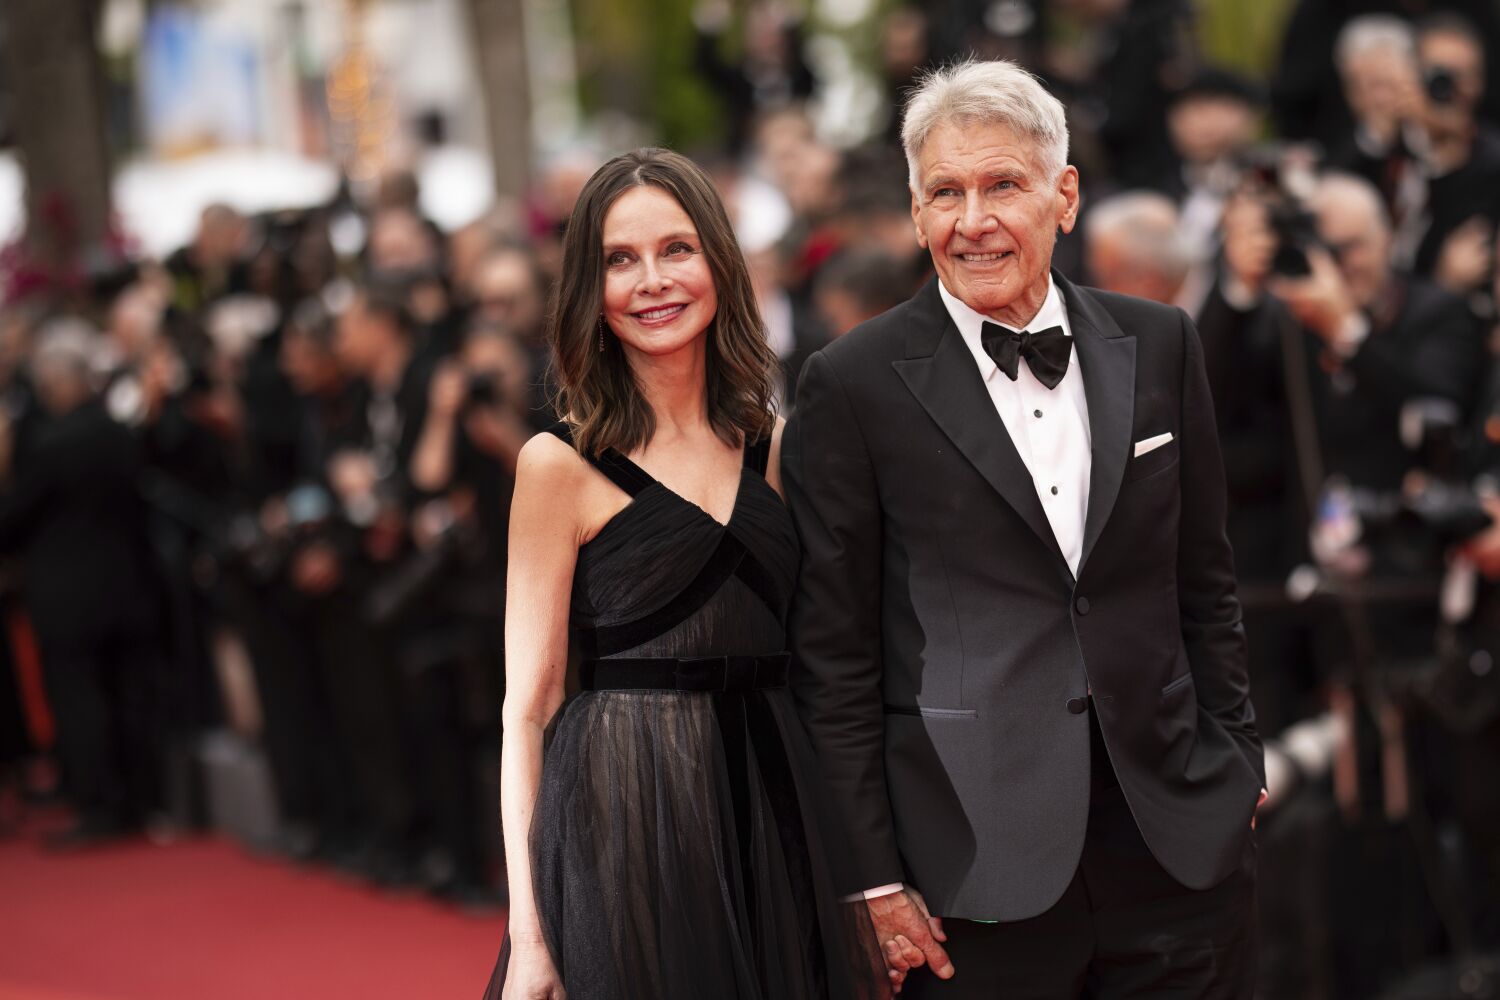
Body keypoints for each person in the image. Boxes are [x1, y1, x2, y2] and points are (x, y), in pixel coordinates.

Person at [783, 59, 1265, 997]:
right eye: (945, 193)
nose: (974, 221)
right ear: (916, 214)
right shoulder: (851, 383)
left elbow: (1205, 577)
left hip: (1175, 838)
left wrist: (1235, 760)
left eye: (1003, 184)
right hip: (969, 867)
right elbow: (832, 653)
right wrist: (871, 875)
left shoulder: (1162, 341)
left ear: (1065, 195)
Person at [485, 147, 882, 1000]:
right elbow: (529, 708)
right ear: (588, 291)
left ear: (719, 263)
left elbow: (826, 667)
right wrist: (531, 937)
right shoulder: (558, 467)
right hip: (625, 830)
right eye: (619, 261)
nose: (652, 281)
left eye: (676, 249)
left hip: (775, 823)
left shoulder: (778, 448)